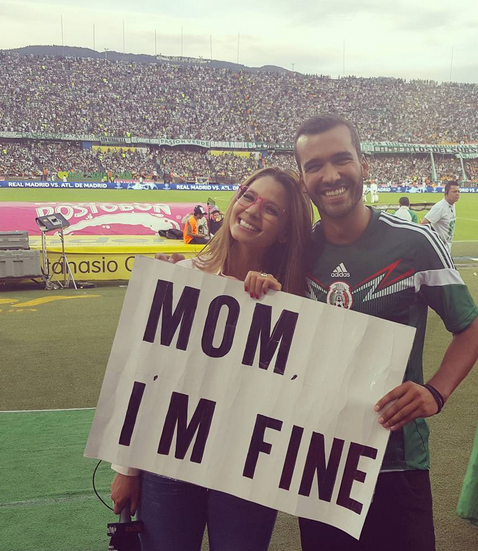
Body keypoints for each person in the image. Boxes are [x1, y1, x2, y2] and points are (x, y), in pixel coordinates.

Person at [293, 114, 478, 551]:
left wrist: (435, 391)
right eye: (315, 165)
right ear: (302, 179)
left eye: (342, 159)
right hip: (318, 463)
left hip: (398, 461)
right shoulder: (296, 251)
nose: (331, 175)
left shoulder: (415, 243)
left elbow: (470, 326)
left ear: (364, 166)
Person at [111, 166, 313, 551]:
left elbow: (296, 394)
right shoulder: (183, 276)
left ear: (287, 230)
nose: (253, 210)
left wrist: (279, 309)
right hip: (168, 461)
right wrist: (126, 469)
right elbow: (143, 375)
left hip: (245, 470)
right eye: (249, 196)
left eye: (272, 209)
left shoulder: (290, 301)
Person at [420, 181, 460, 251]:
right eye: (454, 192)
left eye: (458, 191)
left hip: (447, 247)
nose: (457, 194)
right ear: (446, 192)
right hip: (439, 248)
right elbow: (424, 223)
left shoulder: (452, 204)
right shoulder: (440, 207)